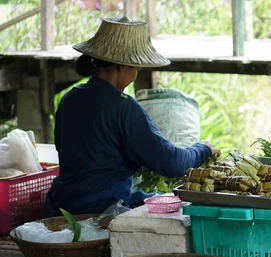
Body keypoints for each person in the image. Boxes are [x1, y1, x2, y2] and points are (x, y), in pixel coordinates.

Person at [44, 16, 219, 217]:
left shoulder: (69, 98)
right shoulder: (123, 107)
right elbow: (173, 164)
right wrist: (202, 149)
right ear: (123, 66)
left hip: (62, 204)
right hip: (100, 210)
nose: (136, 73)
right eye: (136, 68)